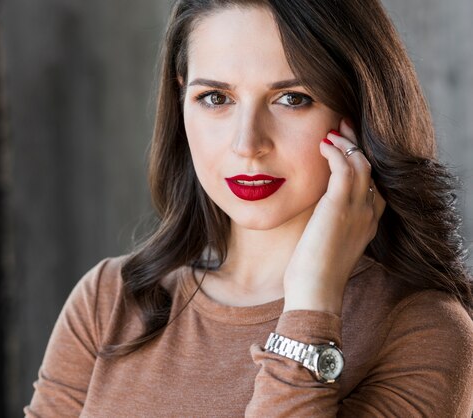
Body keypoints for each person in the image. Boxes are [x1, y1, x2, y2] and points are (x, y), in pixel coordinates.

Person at [25, 0, 473, 416]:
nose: (247, 145)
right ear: (182, 99)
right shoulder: (109, 302)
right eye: (216, 98)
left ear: (359, 108)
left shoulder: (425, 331)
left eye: (292, 98)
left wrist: (313, 301)